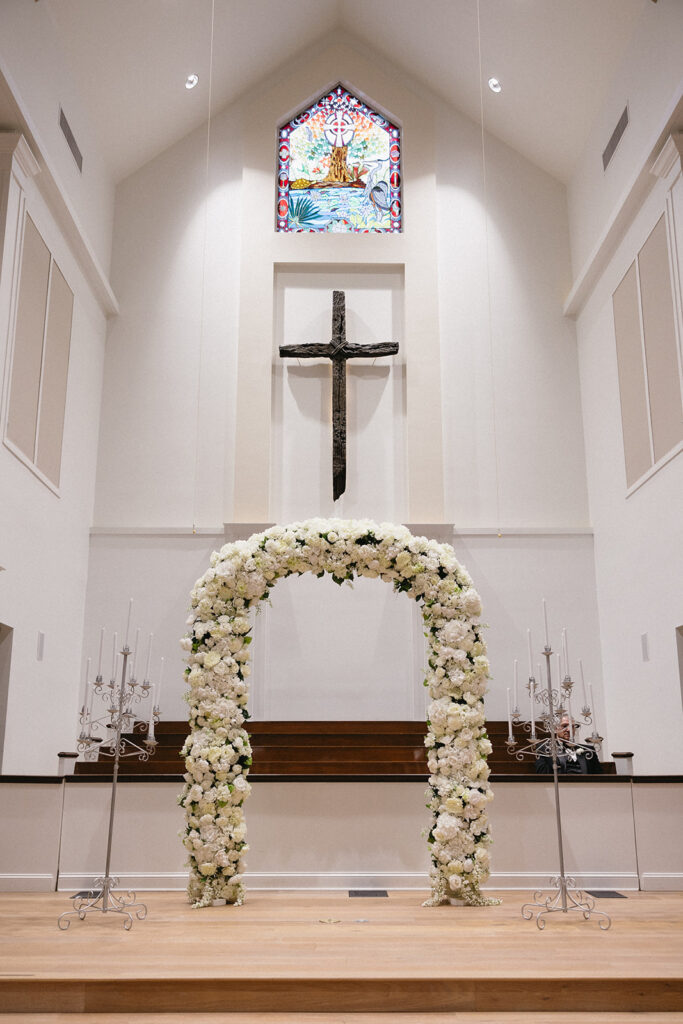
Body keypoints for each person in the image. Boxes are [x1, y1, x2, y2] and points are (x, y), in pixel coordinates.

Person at [534, 714, 603, 775]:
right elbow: (542, 777)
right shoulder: (546, 749)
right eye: (564, 726)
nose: (569, 729)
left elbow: (599, 777)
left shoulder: (588, 751)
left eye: (572, 726)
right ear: (555, 729)